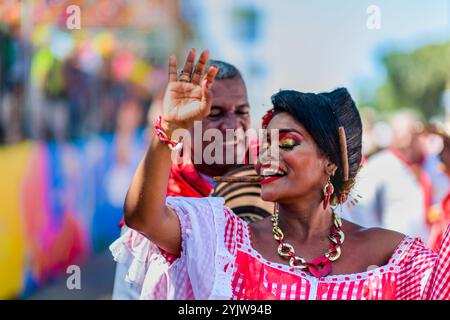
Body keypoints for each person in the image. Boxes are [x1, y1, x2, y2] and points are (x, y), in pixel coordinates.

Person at [110, 49, 449, 300]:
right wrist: (167, 130)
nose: (268, 155)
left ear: (330, 161)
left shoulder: (391, 254)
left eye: (287, 143)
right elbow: (144, 217)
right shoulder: (226, 238)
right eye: (267, 142)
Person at [111, 50, 256, 299]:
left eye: (242, 111)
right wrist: (169, 127)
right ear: (186, 119)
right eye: (215, 112)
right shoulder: (154, 201)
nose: (232, 125)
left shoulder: (275, 192)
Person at [344, 111, 432, 240]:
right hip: (396, 251)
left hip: (431, 248)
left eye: (412, 134)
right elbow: (361, 208)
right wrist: (375, 244)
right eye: (401, 133)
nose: (406, 139)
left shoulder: (434, 163)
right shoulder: (379, 165)